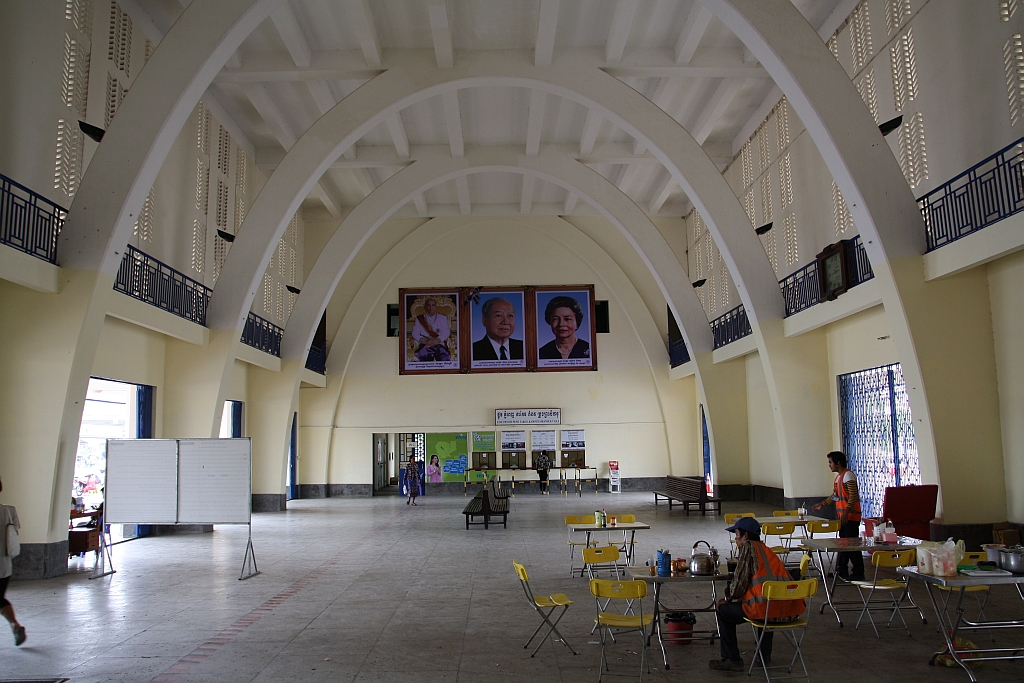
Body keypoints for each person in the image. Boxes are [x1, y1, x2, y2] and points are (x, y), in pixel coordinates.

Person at [710, 517, 804, 672]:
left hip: (767, 612)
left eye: (737, 534)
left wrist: (727, 598)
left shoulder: (748, 547)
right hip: (788, 611)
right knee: (767, 604)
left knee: (724, 611)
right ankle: (763, 655)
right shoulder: (766, 550)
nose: (736, 539)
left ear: (745, 536)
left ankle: (732, 659)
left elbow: (739, 583)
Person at [811, 450, 864, 581]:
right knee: (843, 544)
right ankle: (841, 570)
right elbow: (835, 496)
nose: (829, 465)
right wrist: (822, 504)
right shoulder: (839, 478)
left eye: (830, 462)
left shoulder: (848, 476)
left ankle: (858, 571)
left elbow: (853, 496)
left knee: (851, 545)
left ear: (838, 462)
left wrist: (846, 511)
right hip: (843, 517)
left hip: (850, 517)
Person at [0, 478, 26, 647]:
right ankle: (15, 625)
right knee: (0, 599)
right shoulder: (9, 511)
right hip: (4, 565)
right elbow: (13, 536)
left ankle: (15, 626)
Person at [538, 296, 590, 360]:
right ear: (550, 322)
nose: (561, 324)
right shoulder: (542, 353)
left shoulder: (589, 349)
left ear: (577, 323)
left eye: (567, 319)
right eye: (556, 319)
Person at [410, 297, 452, 362]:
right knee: (424, 354)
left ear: (436, 306)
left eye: (433, 305)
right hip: (425, 345)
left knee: (444, 356)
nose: (431, 307)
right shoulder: (419, 319)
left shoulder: (442, 317)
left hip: (439, 344)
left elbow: (446, 332)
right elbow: (415, 333)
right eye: (428, 305)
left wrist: (435, 341)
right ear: (425, 307)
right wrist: (426, 341)